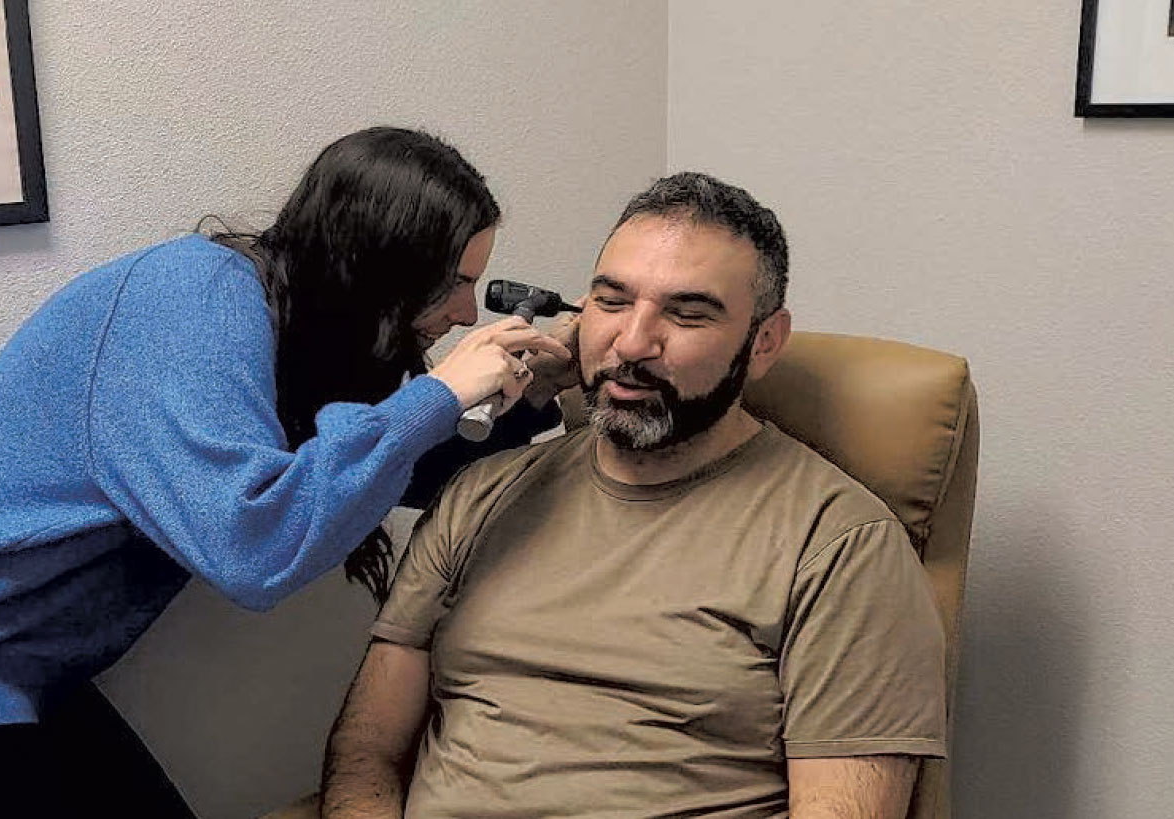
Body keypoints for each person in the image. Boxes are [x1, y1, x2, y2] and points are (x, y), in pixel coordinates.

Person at [0, 126, 579, 817]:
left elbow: (374, 478)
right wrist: (439, 393)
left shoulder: (296, 327)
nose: (465, 313)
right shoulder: (192, 298)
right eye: (453, 283)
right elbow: (254, 547)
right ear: (379, 262)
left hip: (1, 655)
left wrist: (532, 403)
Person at [320, 172, 948, 819]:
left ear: (763, 342)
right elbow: (366, 754)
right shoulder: (480, 495)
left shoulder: (840, 545)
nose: (632, 343)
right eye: (611, 301)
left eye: (687, 313)